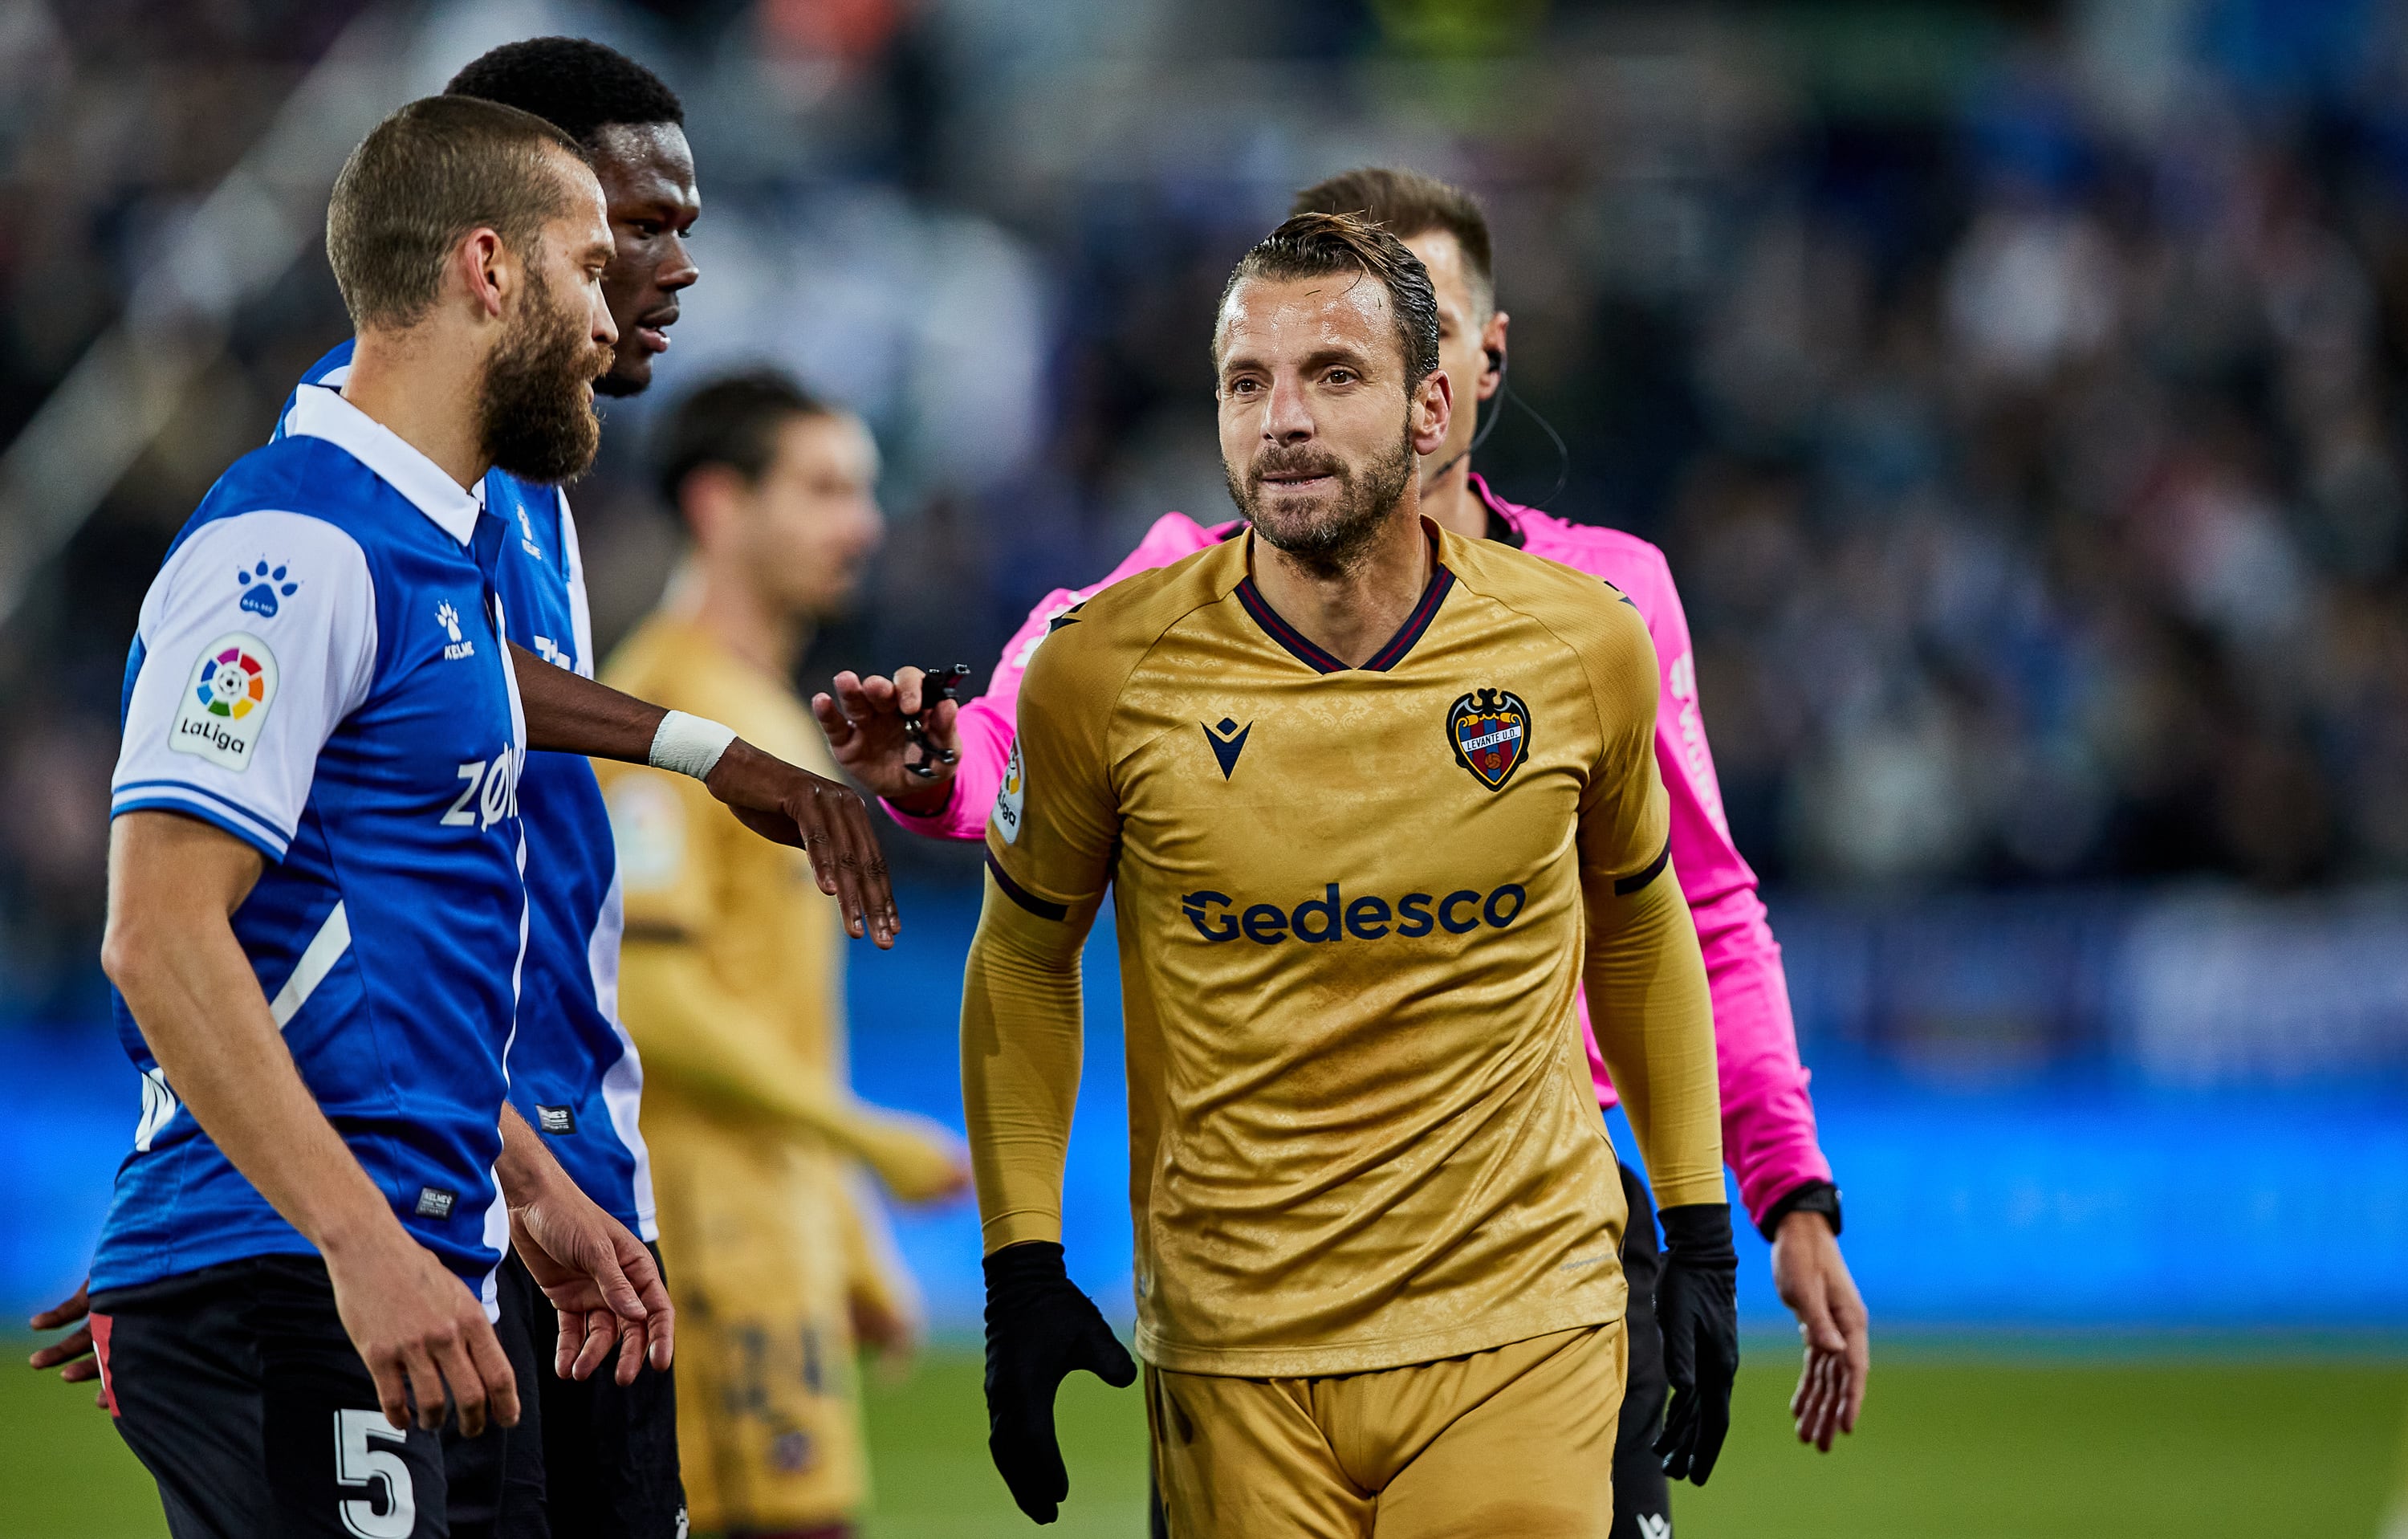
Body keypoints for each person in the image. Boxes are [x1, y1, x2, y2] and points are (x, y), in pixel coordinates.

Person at [818, 168, 1869, 1536]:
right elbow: (1021, 927)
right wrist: (1019, 1269)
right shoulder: (1109, 659)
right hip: (1231, 1342)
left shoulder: (1587, 632)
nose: (1284, 420)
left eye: (1329, 373)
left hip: (1525, 1311)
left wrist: (1710, 1227)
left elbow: (1663, 918)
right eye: (1246, 383)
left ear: (1441, 399)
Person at [81, 95, 898, 1539]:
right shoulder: (290, 544)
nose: (615, 314)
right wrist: (351, 1240)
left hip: (430, 1241)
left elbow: (388, 956)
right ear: (488, 268)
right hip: (307, 1276)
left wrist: (526, 1188)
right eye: (596, 264)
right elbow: (156, 934)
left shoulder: (446, 558)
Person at [597, 371, 968, 1539]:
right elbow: (645, 990)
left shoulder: (775, 712)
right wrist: (866, 1139)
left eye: (861, 491)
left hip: (774, 1225)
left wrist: (844, 1224)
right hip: (698, 1232)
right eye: (821, 489)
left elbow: (774, 1001)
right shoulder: (663, 708)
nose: (860, 523)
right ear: (719, 503)